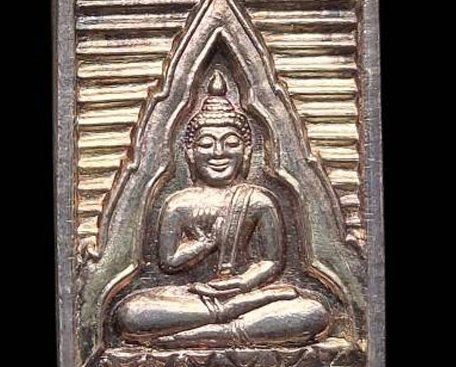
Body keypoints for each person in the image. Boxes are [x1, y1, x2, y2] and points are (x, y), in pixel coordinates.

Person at [114, 70, 330, 348]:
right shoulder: (178, 203)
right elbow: (169, 262)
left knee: (312, 312)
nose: (218, 153)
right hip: (193, 296)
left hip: (247, 293)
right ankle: (226, 318)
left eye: (231, 143)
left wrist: (243, 284)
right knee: (131, 312)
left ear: (247, 150)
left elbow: (271, 261)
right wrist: (204, 244)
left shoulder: (259, 200)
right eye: (206, 144)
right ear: (190, 152)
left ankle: (210, 332)